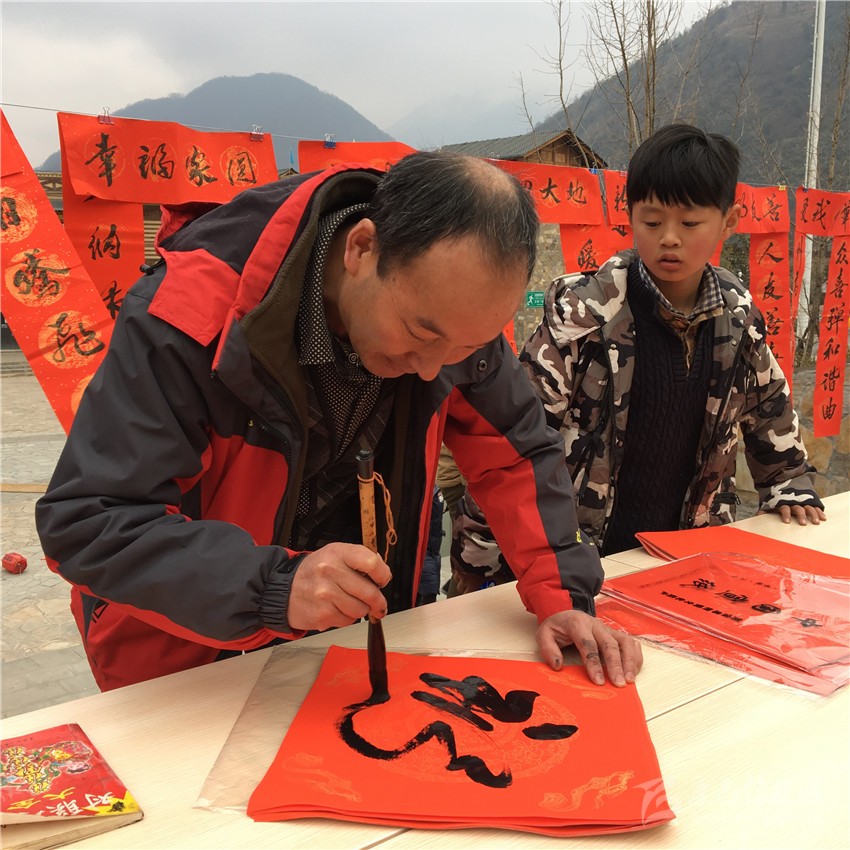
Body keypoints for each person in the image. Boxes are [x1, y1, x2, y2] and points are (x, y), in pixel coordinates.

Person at [36, 151, 641, 692]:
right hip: (187, 658)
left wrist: (562, 595)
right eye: (419, 333)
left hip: (354, 640)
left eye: (464, 349)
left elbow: (515, 453)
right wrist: (274, 586)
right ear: (361, 249)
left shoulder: (453, 319)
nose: (432, 368)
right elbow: (89, 521)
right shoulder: (191, 316)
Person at [451, 124, 825, 583]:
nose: (669, 238)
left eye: (689, 223)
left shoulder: (738, 318)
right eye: (652, 222)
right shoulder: (584, 315)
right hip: (581, 555)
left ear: (729, 221)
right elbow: (515, 437)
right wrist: (480, 560)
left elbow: (769, 408)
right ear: (629, 216)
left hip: (686, 555)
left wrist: (789, 484)